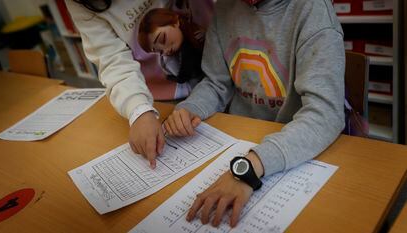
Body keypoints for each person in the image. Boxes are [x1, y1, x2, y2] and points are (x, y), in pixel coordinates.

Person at [163, 0, 345, 228]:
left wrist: (251, 166)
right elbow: (216, 83)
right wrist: (190, 108)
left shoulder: (313, 11)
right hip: (243, 138)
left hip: (297, 148)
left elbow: (326, 113)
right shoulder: (224, 9)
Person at [65, 0, 213, 169]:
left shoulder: (197, 36)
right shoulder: (79, 5)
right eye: (158, 51)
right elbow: (113, 61)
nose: (165, 52)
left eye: (163, 40)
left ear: (176, 20)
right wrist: (139, 110)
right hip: (159, 100)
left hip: (220, 78)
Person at [138, 8, 205, 86]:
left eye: (162, 39)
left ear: (175, 22)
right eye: (160, 52)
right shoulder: (169, 62)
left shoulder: (197, 25)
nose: (166, 50)